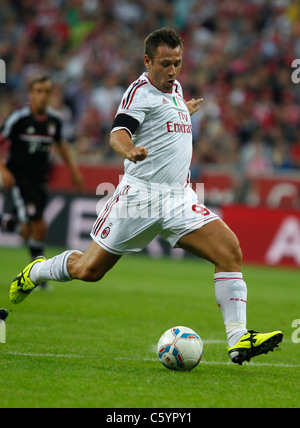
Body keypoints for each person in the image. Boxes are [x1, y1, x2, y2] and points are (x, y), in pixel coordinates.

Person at [9, 28, 282, 365]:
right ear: (147, 61)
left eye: (178, 63)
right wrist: (130, 150)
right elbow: (118, 132)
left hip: (178, 198)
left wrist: (185, 110)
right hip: (139, 198)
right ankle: (36, 272)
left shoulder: (176, 90)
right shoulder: (140, 92)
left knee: (229, 251)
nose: (172, 71)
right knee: (89, 270)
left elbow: (166, 117)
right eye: (166, 64)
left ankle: (239, 339)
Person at [0, 73, 85, 288]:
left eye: (47, 92)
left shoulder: (54, 121)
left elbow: (62, 146)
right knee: (39, 225)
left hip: (40, 180)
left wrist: (74, 171)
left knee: (32, 230)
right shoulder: (18, 119)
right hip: (19, 179)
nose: (43, 96)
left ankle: (6, 221)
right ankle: (37, 276)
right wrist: (3, 170)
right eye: (38, 91)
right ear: (30, 94)